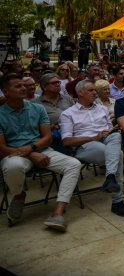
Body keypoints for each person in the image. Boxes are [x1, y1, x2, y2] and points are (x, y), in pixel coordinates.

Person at [0, 73, 81, 231]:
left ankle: (58, 212)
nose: (23, 88)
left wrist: (33, 149)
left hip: (41, 149)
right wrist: (31, 154)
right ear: (6, 91)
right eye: (18, 86)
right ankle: (19, 194)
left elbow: (47, 137)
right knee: (12, 167)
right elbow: (1, 147)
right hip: (13, 154)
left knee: (73, 164)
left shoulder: (37, 108)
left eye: (24, 85)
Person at [59, 80, 124, 217]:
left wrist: (110, 131)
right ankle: (117, 201)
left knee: (115, 137)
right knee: (119, 155)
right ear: (80, 93)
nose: (95, 93)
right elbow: (66, 141)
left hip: (107, 141)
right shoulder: (68, 114)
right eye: (91, 90)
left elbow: (109, 129)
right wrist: (94, 138)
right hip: (84, 146)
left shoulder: (102, 109)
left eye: (95, 90)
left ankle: (110, 177)